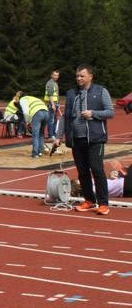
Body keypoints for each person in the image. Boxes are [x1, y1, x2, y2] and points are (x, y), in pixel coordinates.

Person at [53, 64, 115, 215]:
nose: (79, 78)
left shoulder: (101, 91)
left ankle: (103, 203)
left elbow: (110, 112)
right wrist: (58, 136)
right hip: (76, 139)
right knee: (82, 172)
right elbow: (65, 117)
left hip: (95, 138)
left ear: (90, 77)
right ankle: (89, 200)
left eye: (82, 76)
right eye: (77, 76)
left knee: (97, 169)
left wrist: (93, 113)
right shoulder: (71, 93)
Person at [3, 91, 48, 158]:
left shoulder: (23, 100)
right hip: (46, 113)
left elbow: (26, 112)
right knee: (41, 133)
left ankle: (35, 153)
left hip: (38, 114)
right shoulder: (33, 98)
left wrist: (27, 122)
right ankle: (40, 152)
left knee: (35, 134)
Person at [43, 70, 60, 139]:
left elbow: (55, 95)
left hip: (55, 104)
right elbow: (50, 95)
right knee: (51, 120)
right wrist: (53, 105)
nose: (56, 77)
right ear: (51, 75)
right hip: (51, 105)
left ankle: (54, 133)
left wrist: (57, 104)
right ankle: (51, 135)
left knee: (55, 119)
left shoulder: (55, 83)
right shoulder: (50, 83)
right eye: (55, 75)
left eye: (57, 75)